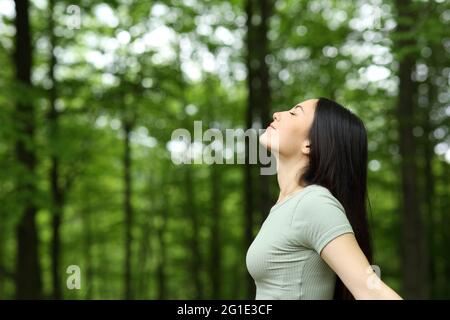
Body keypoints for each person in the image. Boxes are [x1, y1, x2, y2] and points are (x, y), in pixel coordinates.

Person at [246, 97, 403, 300]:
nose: (277, 114)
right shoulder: (285, 206)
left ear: (309, 145)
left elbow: (371, 291)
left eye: (294, 113)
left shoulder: (313, 203)